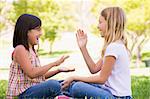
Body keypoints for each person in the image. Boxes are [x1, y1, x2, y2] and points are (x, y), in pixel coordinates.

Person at [61, 7, 132, 99]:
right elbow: (94, 69)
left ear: (110, 23)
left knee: (77, 87)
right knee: (75, 85)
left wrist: (75, 77)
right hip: (111, 93)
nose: (98, 26)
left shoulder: (113, 47)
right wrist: (83, 47)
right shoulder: (116, 45)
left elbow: (101, 79)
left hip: (116, 97)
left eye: (100, 22)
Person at [6, 14, 74, 99]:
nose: (41, 33)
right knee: (53, 85)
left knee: (65, 83)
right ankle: (61, 96)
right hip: (23, 94)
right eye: (38, 30)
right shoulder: (20, 49)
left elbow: (40, 76)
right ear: (26, 31)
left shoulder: (32, 50)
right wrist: (54, 63)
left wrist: (58, 70)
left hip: (33, 90)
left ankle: (62, 95)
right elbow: (32, 73)